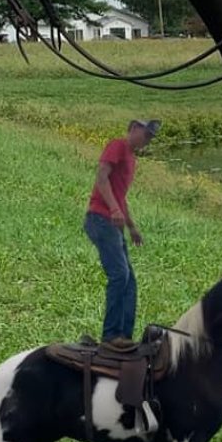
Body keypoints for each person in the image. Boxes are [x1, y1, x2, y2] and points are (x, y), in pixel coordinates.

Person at [84, 119, 160, 341]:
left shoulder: (132, 158)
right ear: (134, 128)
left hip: (113, 222)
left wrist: (132, 227)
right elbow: (101, 176)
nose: (147, 141)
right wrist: (114, 209)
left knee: (130, 280)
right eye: (145, 135)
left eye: (151, 138)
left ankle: (124, 337)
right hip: (99, 218)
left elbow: (121, 197)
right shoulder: (118, 145)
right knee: (119, 275)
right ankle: (110, 338)